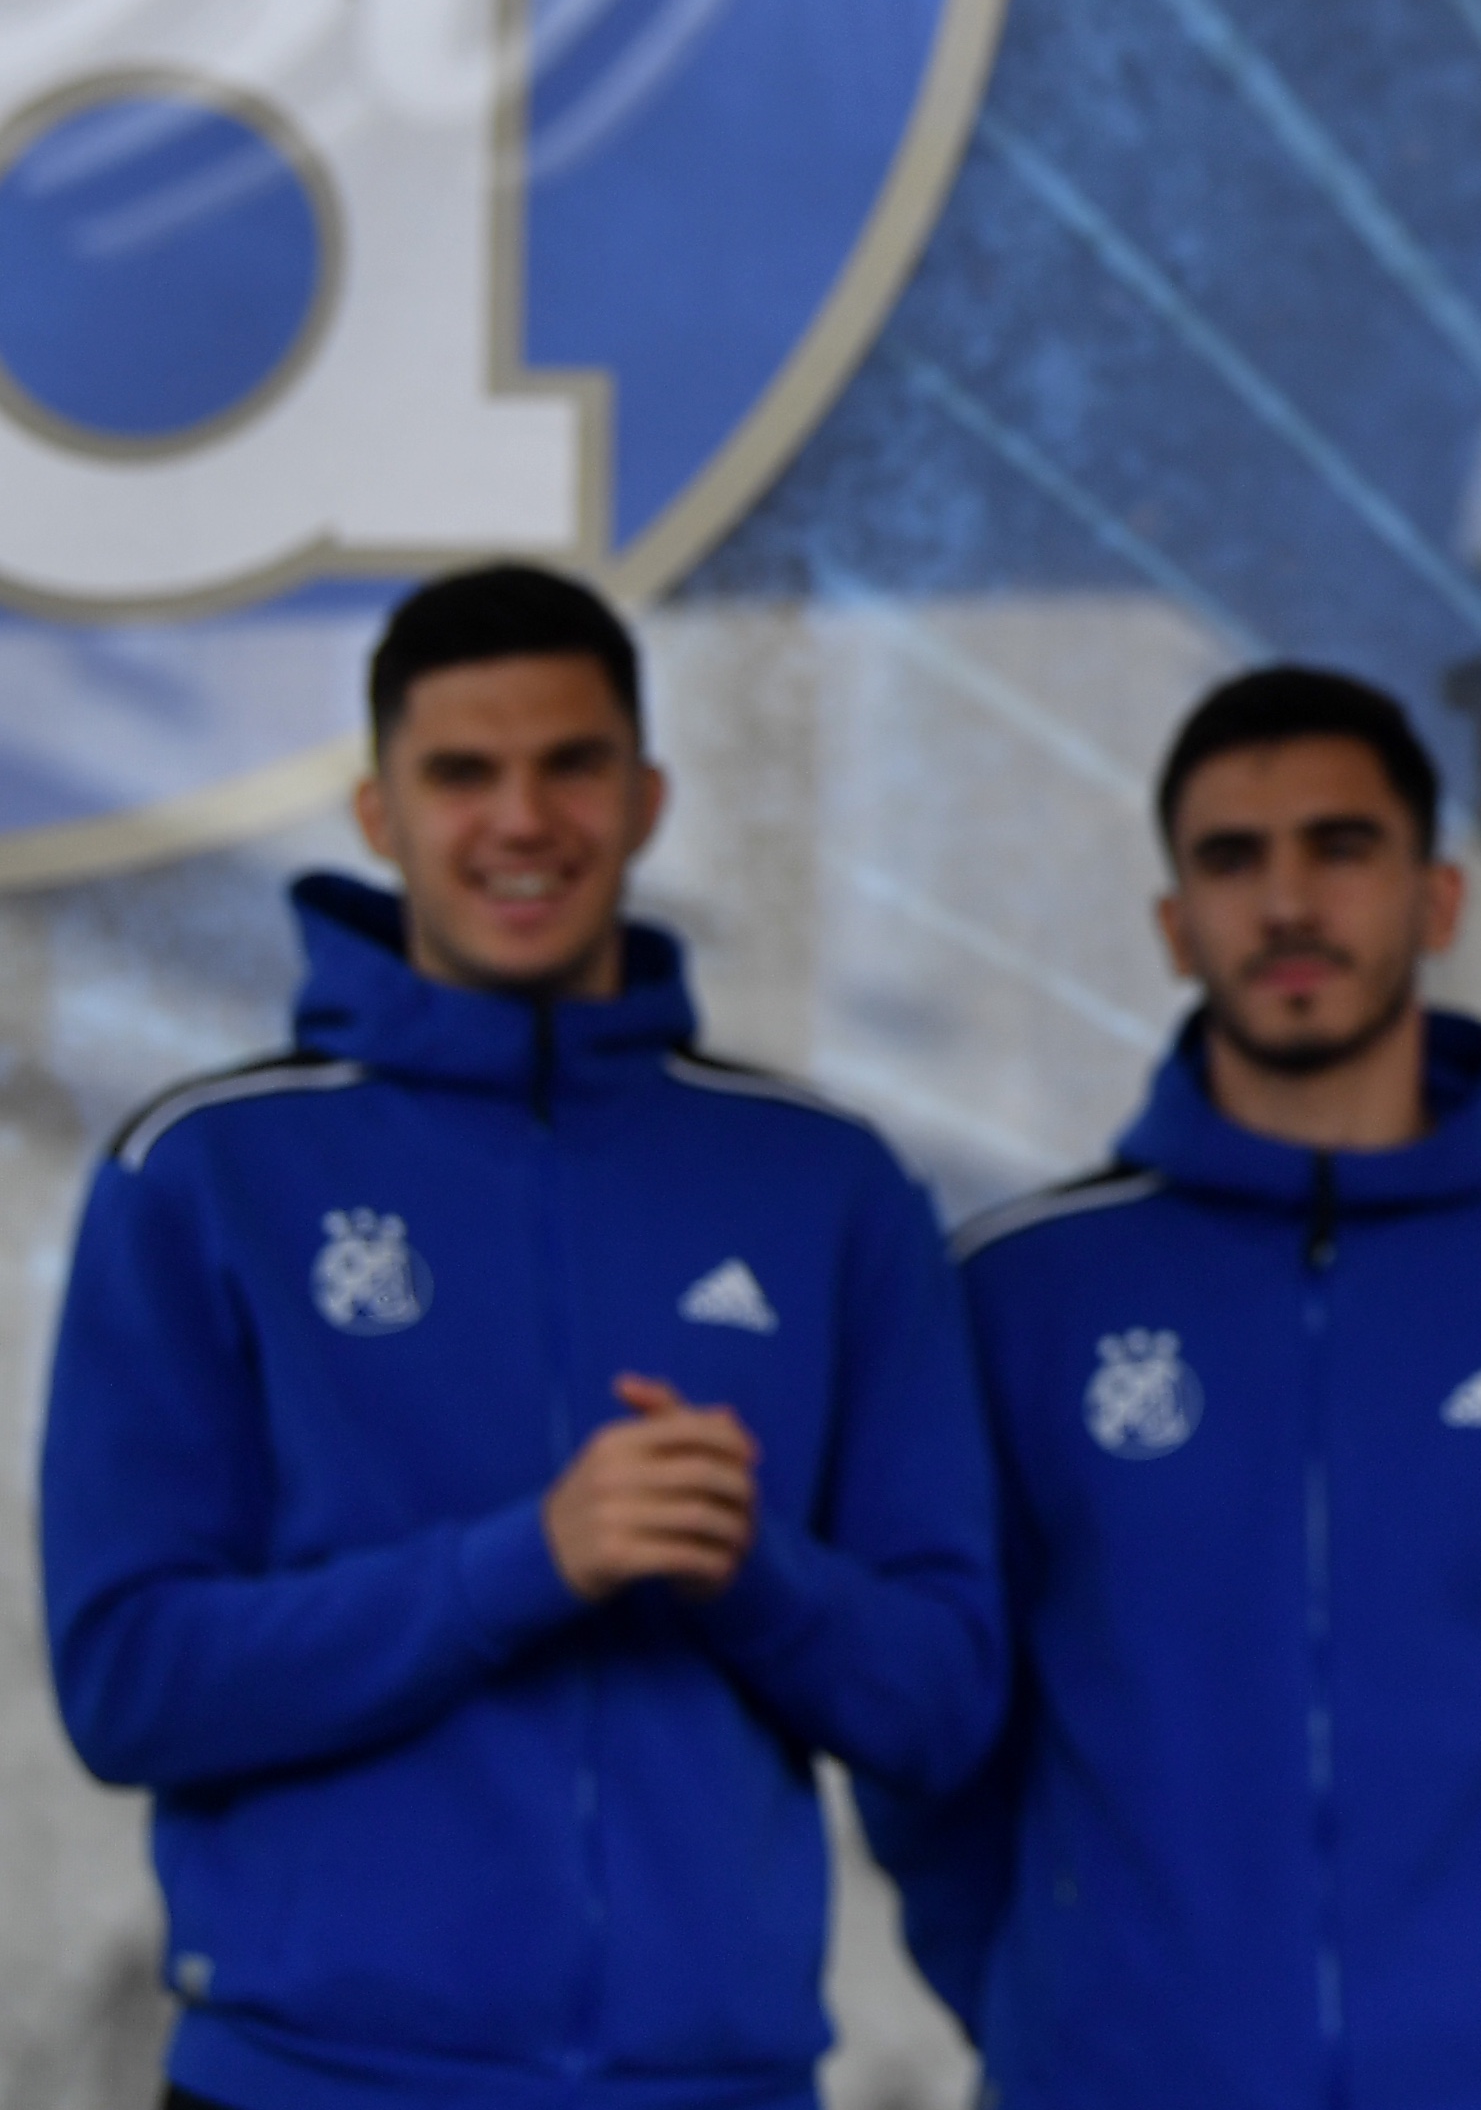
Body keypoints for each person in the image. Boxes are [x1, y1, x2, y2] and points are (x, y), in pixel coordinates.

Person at [37, 564, 1003, 2110]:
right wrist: (528, 1561)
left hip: (716, 2089)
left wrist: (752, 1572)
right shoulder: (208, 1171)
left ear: (647, 797)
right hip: (309, 2085)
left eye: (571, 765)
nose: (522, 820)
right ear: (378, 813)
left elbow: (943, 1709)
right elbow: (129, 1684)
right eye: (461, 774)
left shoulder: (827, 1186)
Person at [868, 668, 1481, 2110]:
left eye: (1340, 846)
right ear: (1172, 923)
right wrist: (1047, 2004)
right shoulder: (1020, 1291)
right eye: (1232, 859)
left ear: (1437, 899)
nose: (1287, 903)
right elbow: (936, 1742)